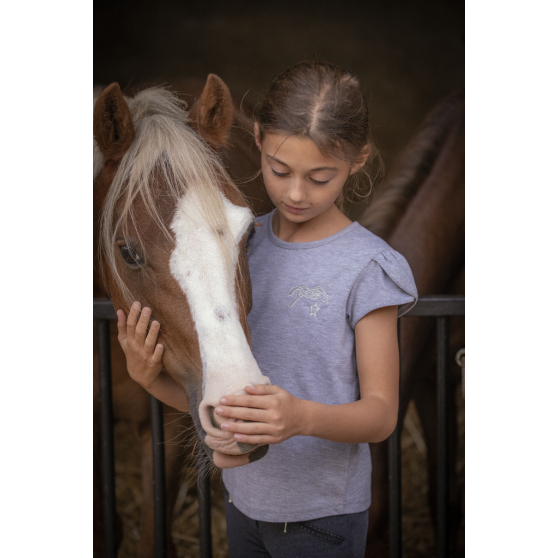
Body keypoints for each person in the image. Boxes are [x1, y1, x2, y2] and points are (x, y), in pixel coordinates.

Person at [117, 61, 417, 558]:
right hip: (245, 505)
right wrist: (148, 378)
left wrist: (299, 417)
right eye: (280, 171)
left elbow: (383, 415)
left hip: (324, 516)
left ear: (358, 160)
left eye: (320, 177)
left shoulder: (367, 267)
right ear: (256, 138)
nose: (296, 193)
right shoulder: (236, 242)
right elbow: (224, 410)